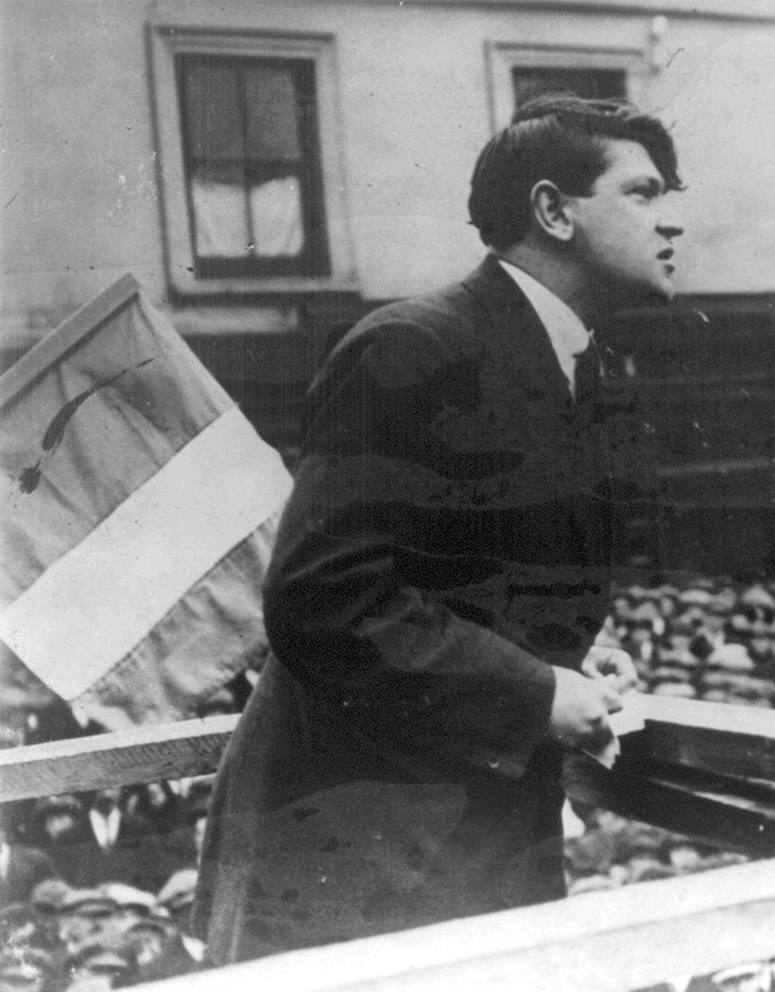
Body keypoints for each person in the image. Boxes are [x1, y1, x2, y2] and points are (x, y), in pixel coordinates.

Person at [194, 94, 684, 963]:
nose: (672, 223)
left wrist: (562, 663)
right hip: (354, 856)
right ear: (552, 211)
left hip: (477, 840)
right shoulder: (412, 349)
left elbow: (466, 586)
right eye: (643, 194)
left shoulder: (585, 366)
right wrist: (535, 692)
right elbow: (322, 598)